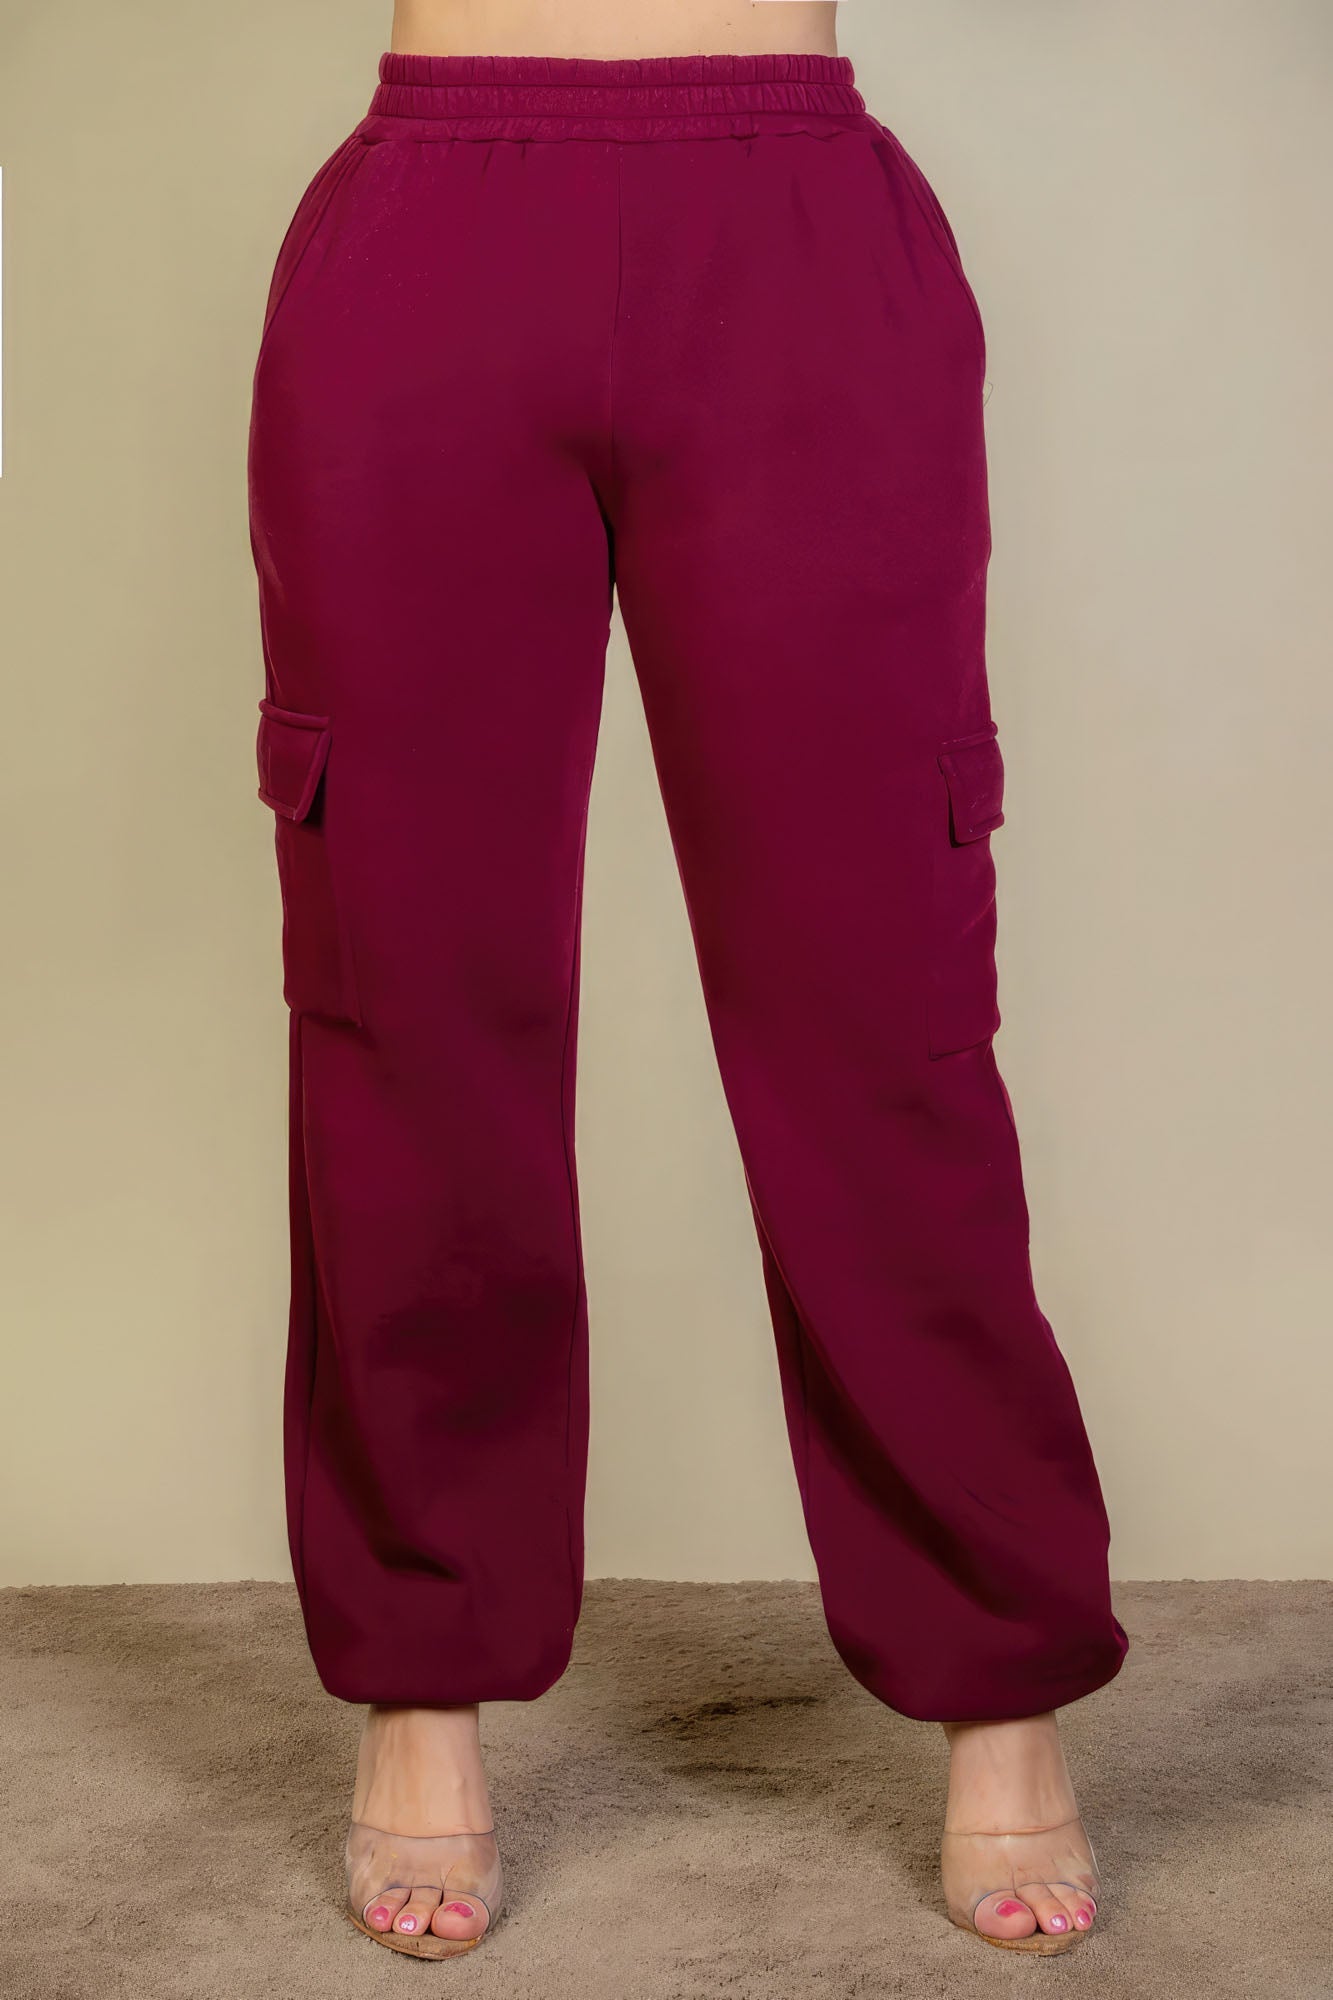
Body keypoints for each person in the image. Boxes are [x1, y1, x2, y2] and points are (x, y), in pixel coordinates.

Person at [247, 0, 1127, 1961]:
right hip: (426, 228)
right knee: (406, 1000)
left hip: (796, 230)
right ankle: (420, 1675)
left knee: (881, 1004)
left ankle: (999, 1672)